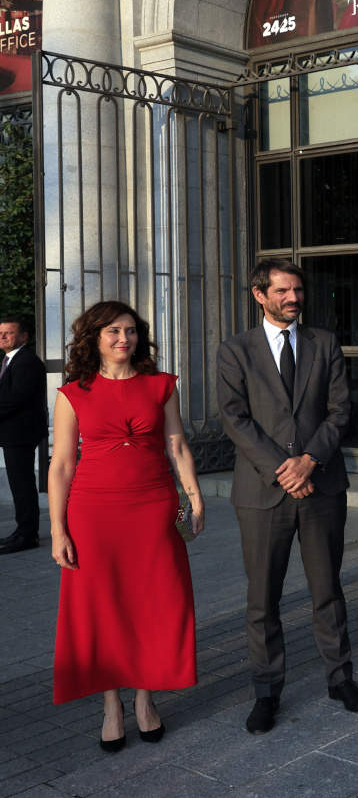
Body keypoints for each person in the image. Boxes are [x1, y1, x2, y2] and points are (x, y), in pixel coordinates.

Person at [217, 258, 358, 736]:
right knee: (263, 599)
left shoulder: (324, 344)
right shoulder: (235, 350)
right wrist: (283, 470)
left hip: (321, 486)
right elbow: (234, 419)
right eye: (284, 290)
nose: (294, 298)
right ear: (259, 294)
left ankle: (341, 678)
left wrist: (309, 461)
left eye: (298, 291)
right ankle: (267, 691)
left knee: (328, 590)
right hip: (263, 492)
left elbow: (341, 411)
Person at [49, 301, 205, 750]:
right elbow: (60, 465)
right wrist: (58, 531)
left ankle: (145, 698)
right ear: (93, 338)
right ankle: (111, 703)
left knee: (152, 601)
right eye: (114, 331)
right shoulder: (73, 393)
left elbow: (177, 446)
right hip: (94, 512)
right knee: (103, 605)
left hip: (153, 507)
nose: (124, 339)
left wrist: (194, 498)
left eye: (131, 331)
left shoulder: (161, 386)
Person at [0, 315, 47, 554]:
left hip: (20, 433)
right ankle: (22, 531)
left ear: (24, 336)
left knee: (22, 484)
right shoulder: (11, 359)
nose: (3, 336)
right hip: (13, 433)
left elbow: (15, 399)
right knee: (19, 484)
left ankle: (27, 535)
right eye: (1, 332)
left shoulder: (27, 362)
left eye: (8, 332)